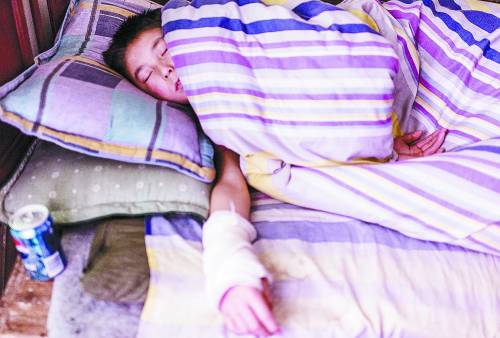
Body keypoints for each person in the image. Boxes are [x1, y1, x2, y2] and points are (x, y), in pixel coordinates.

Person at [104, 8, 446, 337]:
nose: (163, 69)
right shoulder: (214, 120)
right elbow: (230, 182)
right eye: (147, 76)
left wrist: (379, 131)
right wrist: (231, 265)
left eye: (164, 50)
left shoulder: (228, 42)